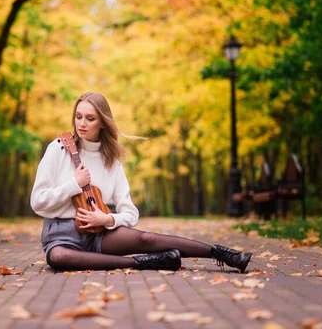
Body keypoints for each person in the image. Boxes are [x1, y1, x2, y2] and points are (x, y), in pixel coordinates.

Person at [30, 92, 252, 272]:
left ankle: (223, 254)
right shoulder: (59, 148)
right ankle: (143, 262)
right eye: (78, 116)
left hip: (99, 233)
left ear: (103, 123)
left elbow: (131, 214)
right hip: (61, 234)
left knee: (146, 238)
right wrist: (73, 184)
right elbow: (37, 202)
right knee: (59, 257)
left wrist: (107, 218)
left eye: (90, 118)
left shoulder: (111, 162)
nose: (82, 124)